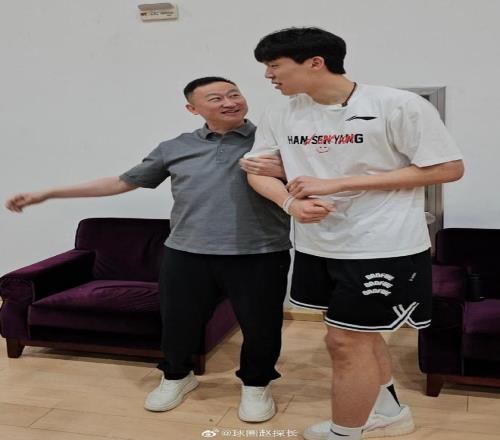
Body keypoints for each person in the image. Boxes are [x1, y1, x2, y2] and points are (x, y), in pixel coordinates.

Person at [5, 76, 294, 422]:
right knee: (178, 322)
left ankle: (256, 385)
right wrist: (49, 193)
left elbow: (315, 179)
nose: (229, 102)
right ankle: (177, 376)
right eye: (216, 98)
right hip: (186, 254)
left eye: (234, 94)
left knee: (262, 325)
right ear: (193, 109)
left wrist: (285, 168)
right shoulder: (175, 147)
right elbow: (121, 182)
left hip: (260, 252)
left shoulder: (273, 141)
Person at [240, 27, 464, 440]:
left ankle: (345, 433)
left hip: (383, 245)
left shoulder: (397, 105)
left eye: (274, 66)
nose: (269, 75)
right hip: (318, 245)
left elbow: (448, 167)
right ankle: (389, 413)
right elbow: (256, 170)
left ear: (315, 63)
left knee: (346, 344)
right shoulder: (281, 113)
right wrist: (290, 203)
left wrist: (339, 183)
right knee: (352, 338)